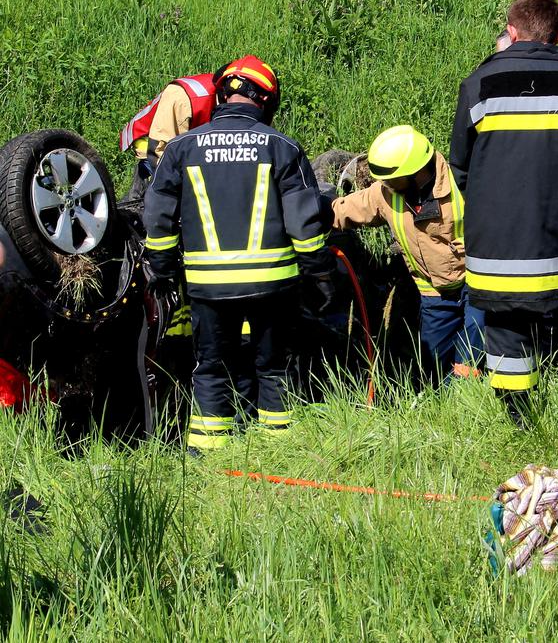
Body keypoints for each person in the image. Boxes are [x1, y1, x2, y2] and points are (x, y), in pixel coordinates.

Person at [450, 0, 558, 439]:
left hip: (501, 240)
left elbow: (461, 166)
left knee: (506, 323)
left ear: (511, 33)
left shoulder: (479, 85)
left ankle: (521, 425)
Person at [143, 55, 338, 452]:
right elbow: (304, 224)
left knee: (211, 369)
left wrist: (162, 271)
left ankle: (210, 454)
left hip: (207, 288)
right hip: (273, 287)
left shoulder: (181, 148)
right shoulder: (281, 147)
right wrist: (320, 273)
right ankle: (278, 451)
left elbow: (158, 218)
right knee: (273, 368)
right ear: (265, 101)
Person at [330, 125, 483, 386]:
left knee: (470, 360)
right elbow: (346, 211)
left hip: (476, 286)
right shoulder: (387, 193)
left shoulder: (465, 186)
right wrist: (309, 213)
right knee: (434, 363)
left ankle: (471, 406)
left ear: (416, 172)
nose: (384, 185)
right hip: (433, 293)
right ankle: (445, 407)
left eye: (391, 179)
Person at [120, 67, 224, 200]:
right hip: (152, 140)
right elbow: (161, 150)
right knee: (154, 202)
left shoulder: (248, 99)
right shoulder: (184, 97)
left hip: (188, 139)